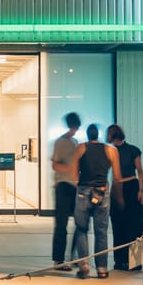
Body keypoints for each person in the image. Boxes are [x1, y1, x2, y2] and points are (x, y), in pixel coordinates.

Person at [69, 123, 123, 278]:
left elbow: (74, 175)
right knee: (101, 232)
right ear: (98, 134)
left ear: (87, 135)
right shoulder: (111, 150)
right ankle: (102, 269)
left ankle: (84, 265)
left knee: (81, 229)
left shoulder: (80, 148)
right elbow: (117, 177)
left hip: (83, 191)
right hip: (102, 192)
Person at [107, 124, 143, 271]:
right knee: (124, 225)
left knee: (128, 226)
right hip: (126, 187)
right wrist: (140, 191)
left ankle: (127, 261)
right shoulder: (129, 150)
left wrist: (140, 190)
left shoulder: (130, 150)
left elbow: (140, 172)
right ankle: (125, 261)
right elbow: (140, 172)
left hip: (125, 187)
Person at [50, 112, 81, 271]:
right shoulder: (61, 142)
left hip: (75, 186)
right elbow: (55, 165)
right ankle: (59, 260)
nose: (74, 129)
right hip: (63, 185)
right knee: (61, 224)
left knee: (79, 223)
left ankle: (74, 257)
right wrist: (71, 169)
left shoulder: (75, 142)